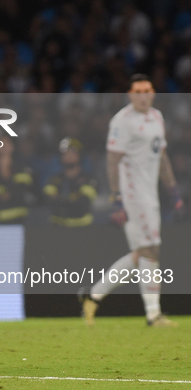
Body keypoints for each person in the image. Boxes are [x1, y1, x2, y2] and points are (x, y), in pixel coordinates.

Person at [80, 74, 184, 327]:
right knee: (151, 250)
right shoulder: (122, 121)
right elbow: (113, 160)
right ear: (129, 95)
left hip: (151, 193)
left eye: (147, 90)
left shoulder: (157, 117)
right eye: (137, 91)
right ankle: (153, 314)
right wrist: (117, 197)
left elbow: (162, 156)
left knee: (142, 252)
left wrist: (173, 190)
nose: (143, 95)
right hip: (133, 194)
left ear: (153, 93)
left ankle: (92, 296)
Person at [43, 138, 97, 227]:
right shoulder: (54, 179)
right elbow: (50, 202)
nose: (68, 156)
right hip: (57, 227)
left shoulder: (88, 179)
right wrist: (73, 198)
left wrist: (59, 199)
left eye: (72, 152)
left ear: (79, 155)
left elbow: (82, 205)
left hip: (82, 228)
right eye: (65, 153)